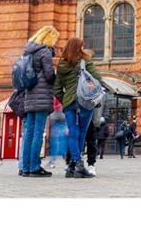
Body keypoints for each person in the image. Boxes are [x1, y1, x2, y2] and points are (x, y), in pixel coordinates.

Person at [53, 37, 102, 178]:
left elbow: (57, 89)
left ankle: (72, 166)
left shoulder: (61, 64)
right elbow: (98, 78)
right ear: (80, 47)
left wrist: (66, 101)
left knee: (73, 133)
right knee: (81, 133)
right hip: (85, 102)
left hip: (69, 103)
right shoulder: (85, 60)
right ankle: (78, 164)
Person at [18, 25, 58, 178]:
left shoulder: (28, 52)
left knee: (29, 133)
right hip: (41, 96)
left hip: (29, 95)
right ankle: (34, 166)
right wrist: (55, 78)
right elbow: (48, 75)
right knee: (38, 133)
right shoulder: (44, 52)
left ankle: (26, 167)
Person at [45, 103, 68, 169]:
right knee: (64, 139)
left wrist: (47, 138)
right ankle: (67, 161)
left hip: (54, 112)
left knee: (54, 141)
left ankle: (52, 162)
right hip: (63, 112)